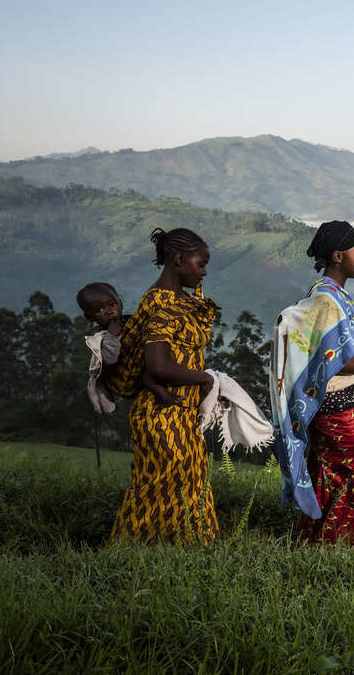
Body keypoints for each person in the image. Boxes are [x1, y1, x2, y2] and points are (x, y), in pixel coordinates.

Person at [270, 220, 354, 546]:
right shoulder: (328, 301)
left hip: (325, 409)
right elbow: (333, 362)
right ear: (338, 255)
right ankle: (350, 543)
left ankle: (318, 539)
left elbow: (340, 349)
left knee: (330, 473)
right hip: (336, 410)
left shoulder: (330, 296)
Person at [107, 228, 220, 545]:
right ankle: (135, 554)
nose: (204, 272)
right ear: (179, 259)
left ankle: (174, 557)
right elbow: (157, 365)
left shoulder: (171, 300)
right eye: (201, 264)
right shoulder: (164, 305)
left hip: (174, 412)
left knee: (175, 489)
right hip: (163, 414)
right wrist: (207, 378)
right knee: (163, 491)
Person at [76, 282, 177, 414]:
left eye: (112, 304)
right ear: (90, 317)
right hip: (120, 379)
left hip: (137, 369)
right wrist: (113, 336)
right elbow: (109, 359)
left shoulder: (129, 322)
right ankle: (165, 398)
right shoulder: (99, 337)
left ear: (120, 303)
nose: (109, 311)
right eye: (99, 310)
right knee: (149, 377)